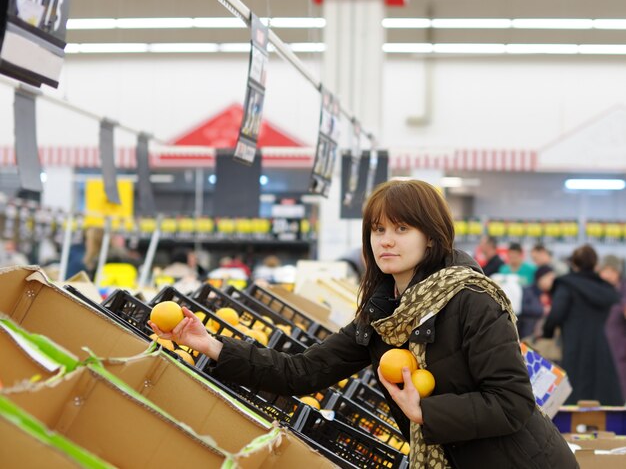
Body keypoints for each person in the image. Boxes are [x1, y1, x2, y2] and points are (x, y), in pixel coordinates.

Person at [150, 180, 576, 468]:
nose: (385, 240)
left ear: (431, 236)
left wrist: (424, 410)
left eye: (401, 228)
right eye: (377, 229)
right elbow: (303, 371)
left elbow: (512, 402)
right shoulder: (382, 314)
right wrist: (211, 345)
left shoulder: (471, 300)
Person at [543, 244, 622, 405]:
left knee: (573, 396)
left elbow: (556, 314)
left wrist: (547, 332)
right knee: (601, 398)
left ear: (574, 264)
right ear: (595, 265)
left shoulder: (567, 286)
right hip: (602, 348)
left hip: (573, 345)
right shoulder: (605, 289)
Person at [598, 255, 626, 401]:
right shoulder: (597, 290)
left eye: (611, 271)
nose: (607, 275)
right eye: (604, 270)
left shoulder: (622, 290)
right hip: (600, 348)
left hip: (619, 350)